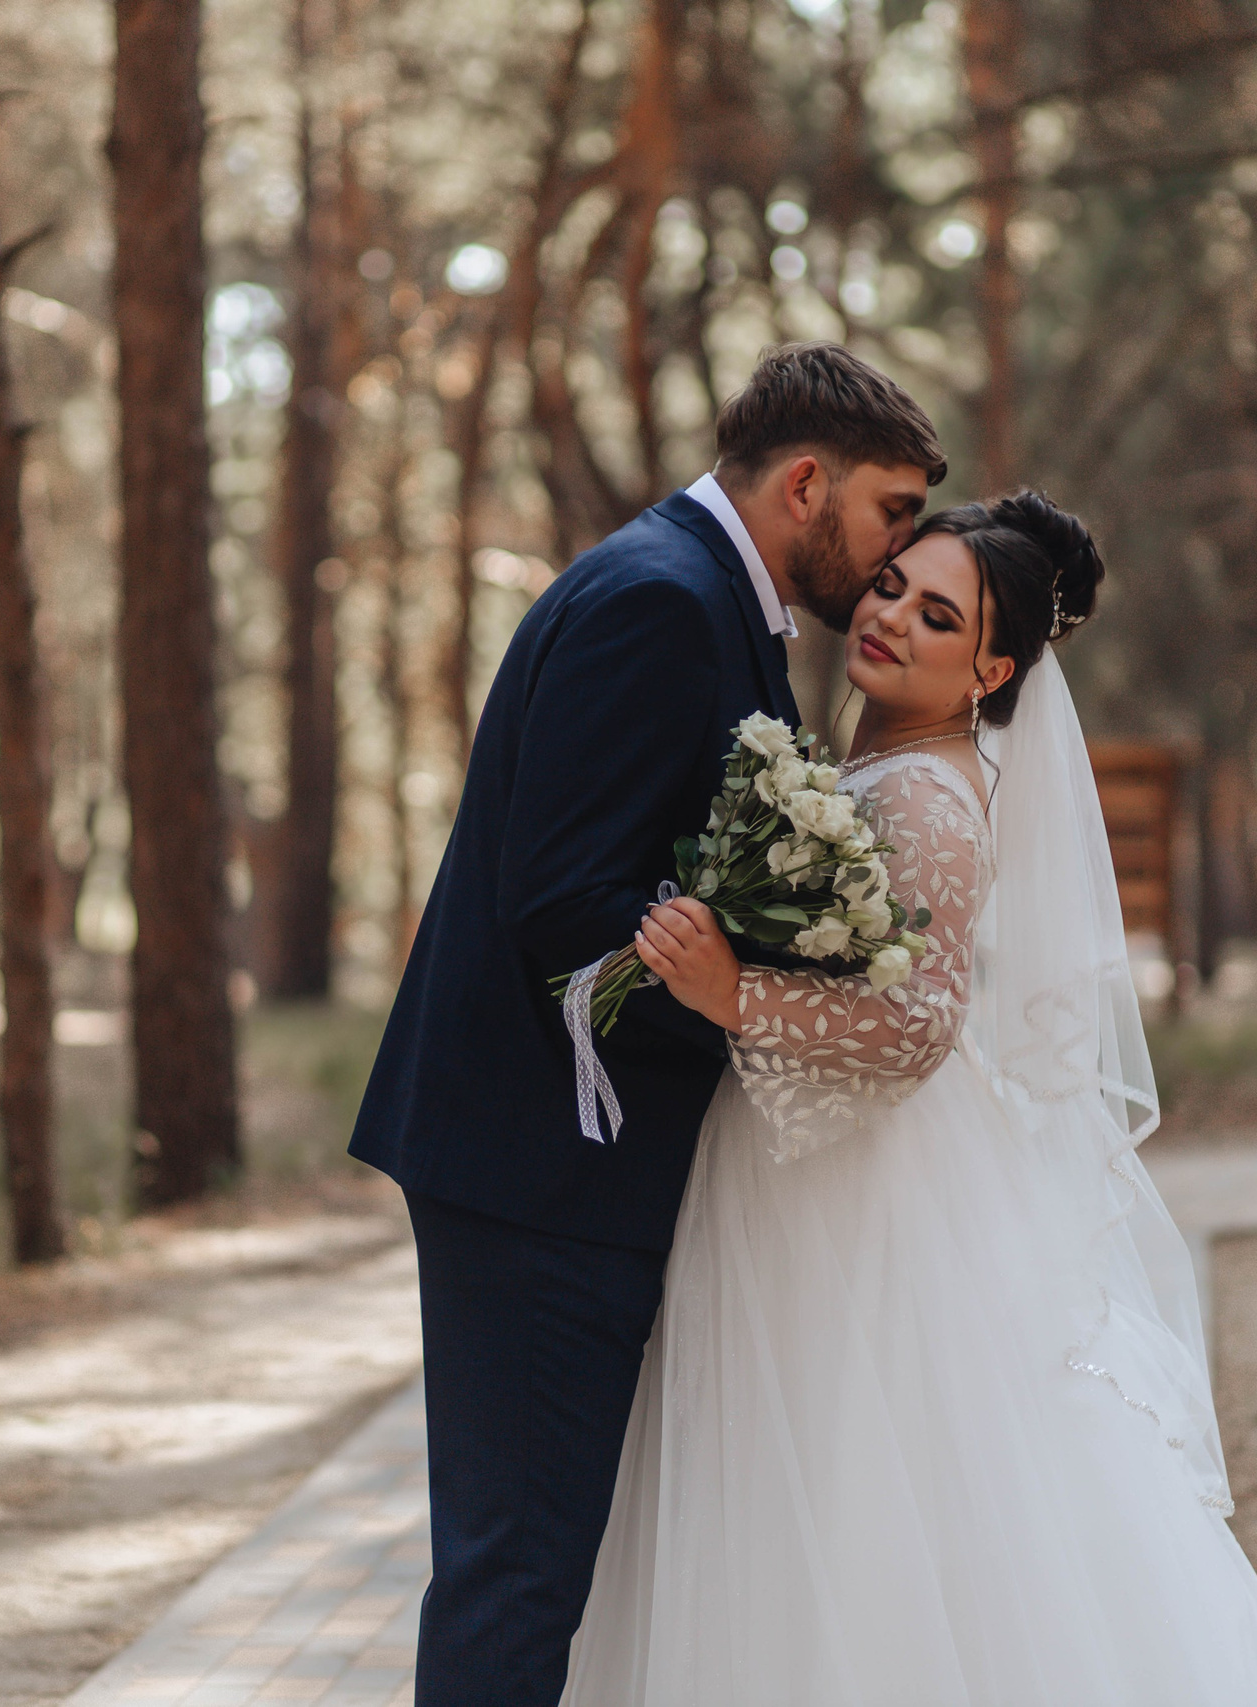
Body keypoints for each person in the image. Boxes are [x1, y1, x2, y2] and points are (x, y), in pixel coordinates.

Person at [561, 495, 1257, 1705]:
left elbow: (915, 1030)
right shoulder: (881, 760)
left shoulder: (922, 799)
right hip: (817, 1163)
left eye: (938, 617)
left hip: (864, 1196)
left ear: (992, 667)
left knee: (857, 1488)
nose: (890, 621)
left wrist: (732, 991)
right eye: (888, 589)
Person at [349, 343, 943, 1706]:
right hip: (541, 1168)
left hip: (552, 1166)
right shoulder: (661, 603)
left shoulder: (690, 593)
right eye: (891, 511)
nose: (900, 546)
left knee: (534, 1564)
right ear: (807, 483)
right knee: (517, 1573)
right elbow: (563, 897)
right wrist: (745, 1009)